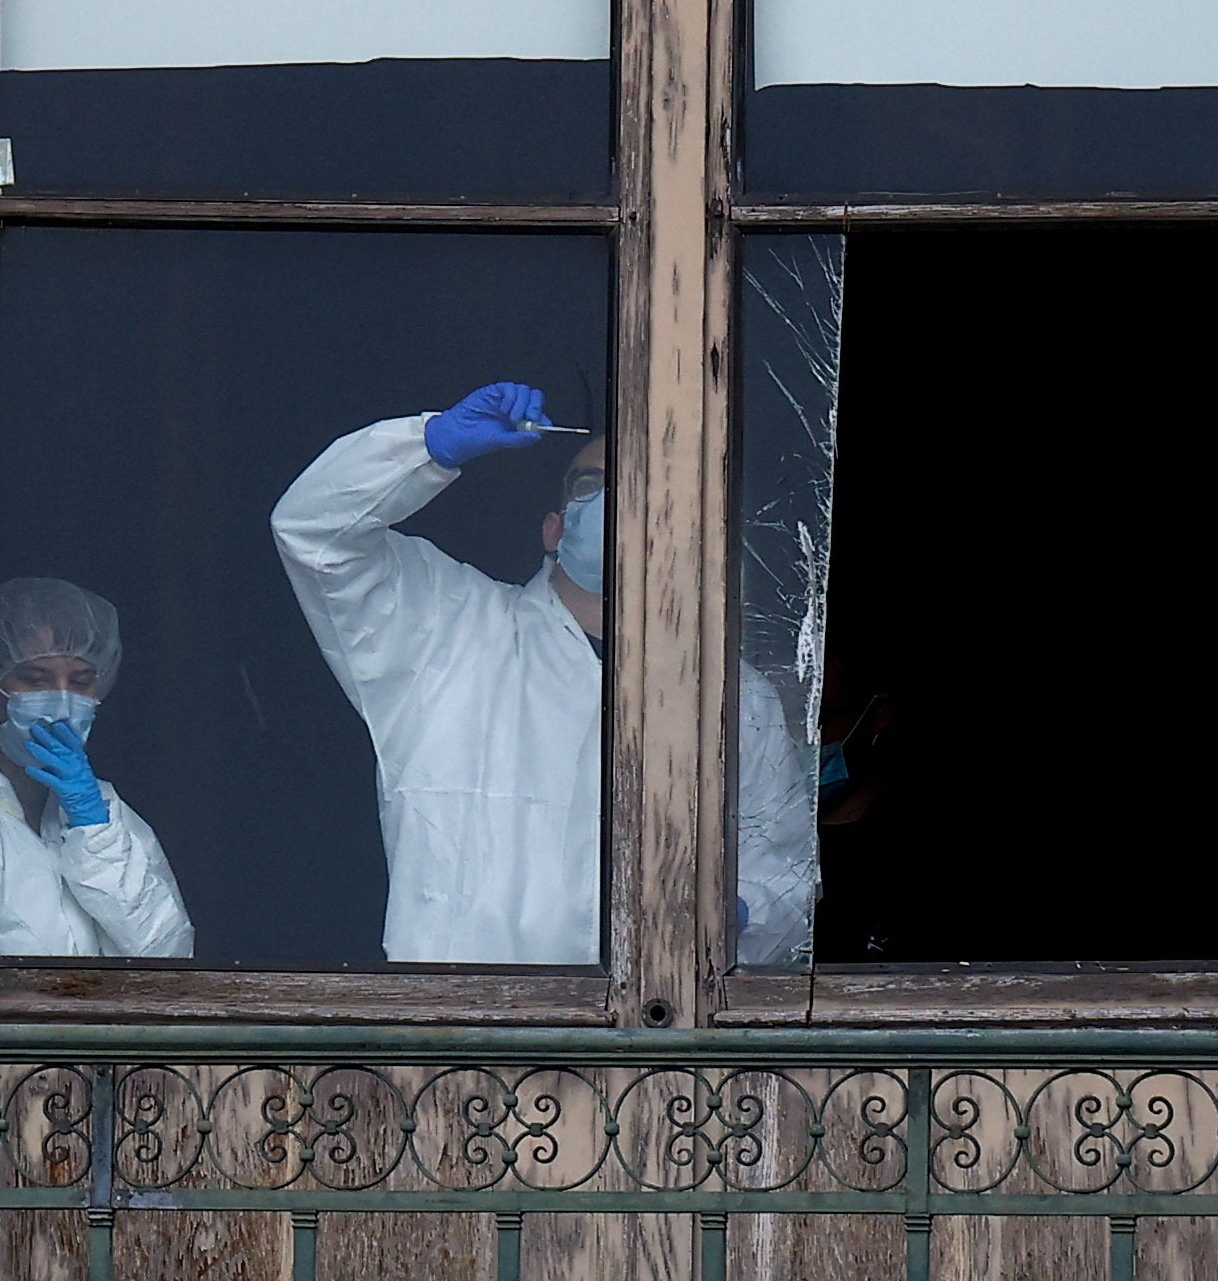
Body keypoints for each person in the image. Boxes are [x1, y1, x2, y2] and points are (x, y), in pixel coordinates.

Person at [271, 382, 815, 965]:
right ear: (553, 529)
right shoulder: (446, 631)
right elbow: (316, 532)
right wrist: (427, 446)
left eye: (651, 486)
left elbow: (785, 871)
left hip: (652, 1040)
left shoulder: (735, 699)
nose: (623, 498)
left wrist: (736, 912)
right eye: (595, 484)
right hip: (460, 1037)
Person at [0, 576, 195, 958]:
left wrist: (95, 830)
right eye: (34, 679)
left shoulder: (103, 811)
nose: (61, 701)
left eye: (80, 682)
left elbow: (166, 953)